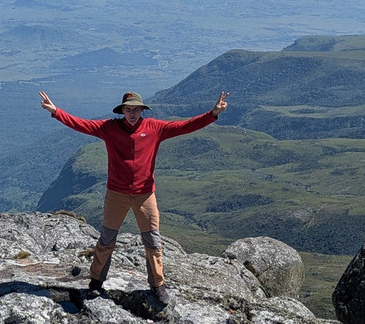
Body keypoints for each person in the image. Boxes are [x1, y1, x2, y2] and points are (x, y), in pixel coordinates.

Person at [39, 89, 229, 304]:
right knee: (106, 240)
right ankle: (95, 282)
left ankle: (157, 285)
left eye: (136, 109)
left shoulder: (155, 128)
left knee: (153, 242)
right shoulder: (109, 128)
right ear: (122, 111)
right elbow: (81, 124)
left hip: (145, 196)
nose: (132, 113)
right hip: (116, 194)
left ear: (142, 110)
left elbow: (185, 126)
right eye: (128, 110)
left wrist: (213, 114)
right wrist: (56, 112)